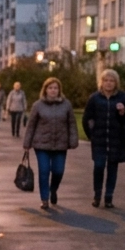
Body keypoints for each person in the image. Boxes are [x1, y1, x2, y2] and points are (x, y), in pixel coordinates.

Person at [22, 77, 79, 210]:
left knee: (58, 171)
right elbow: (31, 125)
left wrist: (73, 140)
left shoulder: (66, 105)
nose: (53, 90)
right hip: (41, 144)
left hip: (60, 144)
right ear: (45, 90)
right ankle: (44, 198)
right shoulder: (38, 105)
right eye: (50, 88)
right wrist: (27, 143)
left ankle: (53, 189)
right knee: (44, 170)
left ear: (59, 90)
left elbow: (71, 123)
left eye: (55, 88)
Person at [82, 69, 125, 208]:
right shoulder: (95, 98)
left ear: (116, 83)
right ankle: (97, 195)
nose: (109, 83)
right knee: (98, 166)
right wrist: (91, 135)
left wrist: (123, 112)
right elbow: (87, 118)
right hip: (99, 140)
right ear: (101, 82)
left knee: (112, 169)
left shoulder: (123, 98)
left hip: (116, 139)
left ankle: (109, 197)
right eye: (106, 80)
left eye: (112, 81)